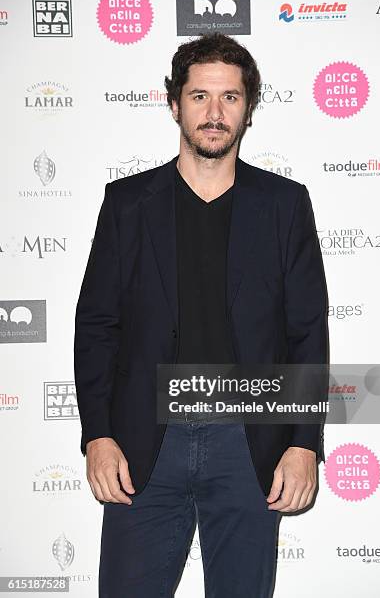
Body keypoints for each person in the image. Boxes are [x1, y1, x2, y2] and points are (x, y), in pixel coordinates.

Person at [74, 32, 329, 598]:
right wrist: (98, 434)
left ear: (248, 109)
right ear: (174, 104)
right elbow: (96, 326)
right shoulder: (127, 203)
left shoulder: (285, 205)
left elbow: (307, 331)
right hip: (145, 447)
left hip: (248, 446)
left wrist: (303, 442)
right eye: (199, 97)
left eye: (230, 98)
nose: (214, 113)